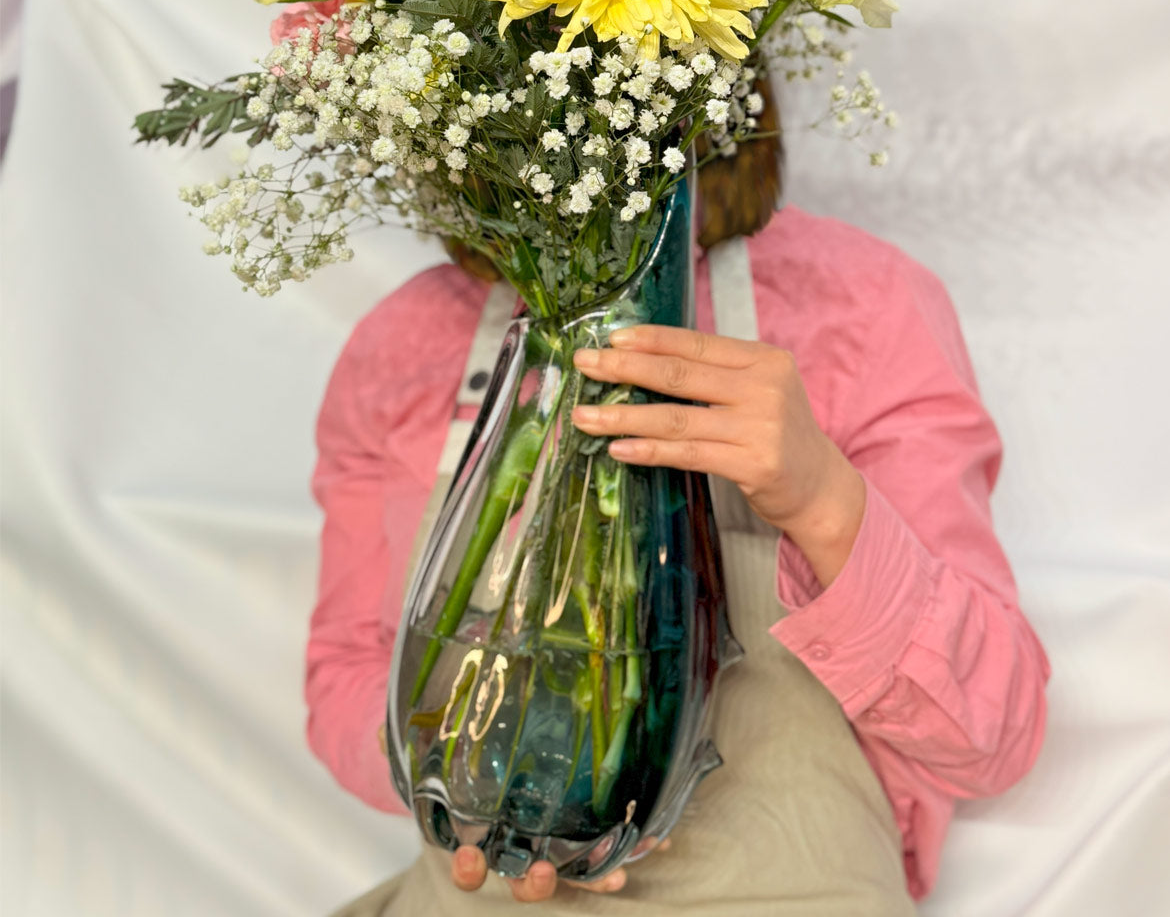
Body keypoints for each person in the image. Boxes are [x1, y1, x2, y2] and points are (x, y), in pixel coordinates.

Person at [305, 116, 1050, 915]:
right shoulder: (403, 342)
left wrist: (821, 499)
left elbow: (995, 736)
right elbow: (345, 670)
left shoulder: (861, 305)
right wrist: (467, 782)